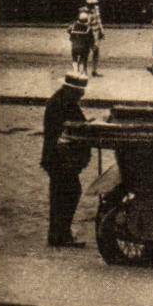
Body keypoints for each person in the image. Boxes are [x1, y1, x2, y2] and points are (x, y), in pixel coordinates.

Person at [41, 71, 92, 247]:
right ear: (70, 89)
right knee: (67, 194)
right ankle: (60, 236)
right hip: (60, 158)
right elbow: (61, 133)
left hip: (60, 158)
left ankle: (60, 235)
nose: (82, 95)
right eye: (79, 92)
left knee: (63, 194)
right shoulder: (59, 104)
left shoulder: (63, 100)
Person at [67, 7, 95, 77]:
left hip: (74, 47)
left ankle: (75, 71)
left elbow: (69, 33)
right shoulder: (88, 28)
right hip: (83, 47)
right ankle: (82, 73)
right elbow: (91, 39)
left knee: (74, 59)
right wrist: (92, 46)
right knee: (83, 58)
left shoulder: (73, 27)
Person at [84, 0, 105, 76]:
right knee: (86, 52)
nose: (93, 5)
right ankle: (84, 70)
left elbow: (99, 20)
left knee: (96, 51)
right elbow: (87, 23)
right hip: (88, 33)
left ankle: (94, 70)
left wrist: (101, 31)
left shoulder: (96, 8)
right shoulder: (85, 10)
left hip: (95, 32)